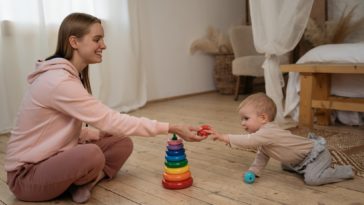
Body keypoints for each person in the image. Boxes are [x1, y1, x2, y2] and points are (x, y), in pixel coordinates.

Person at [5, 12, 207, 203]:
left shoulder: (67, 76)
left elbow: (51, 128)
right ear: (74, 42)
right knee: (92, 154)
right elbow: (111, 120)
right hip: (26, 176)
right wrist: (172, 127)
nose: (104, 45)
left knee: (121, 142)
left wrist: (84, 134)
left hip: (53, 157)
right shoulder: (59, 81)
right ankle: (79, 181)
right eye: (97, 39)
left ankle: (85, 182)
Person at [210, 92, 354, 186]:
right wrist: (254, 171)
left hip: (317, 155)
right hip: (301, 159)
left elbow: (248, 141)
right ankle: (304, 168)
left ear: (263, 118)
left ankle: (344, 171)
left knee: (312, 179)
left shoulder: (268, 132)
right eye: (241, 119)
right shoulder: (263, 138)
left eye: (246, 118)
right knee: (285, 164)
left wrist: (225, 137)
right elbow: (261, 157)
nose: (242, 123)